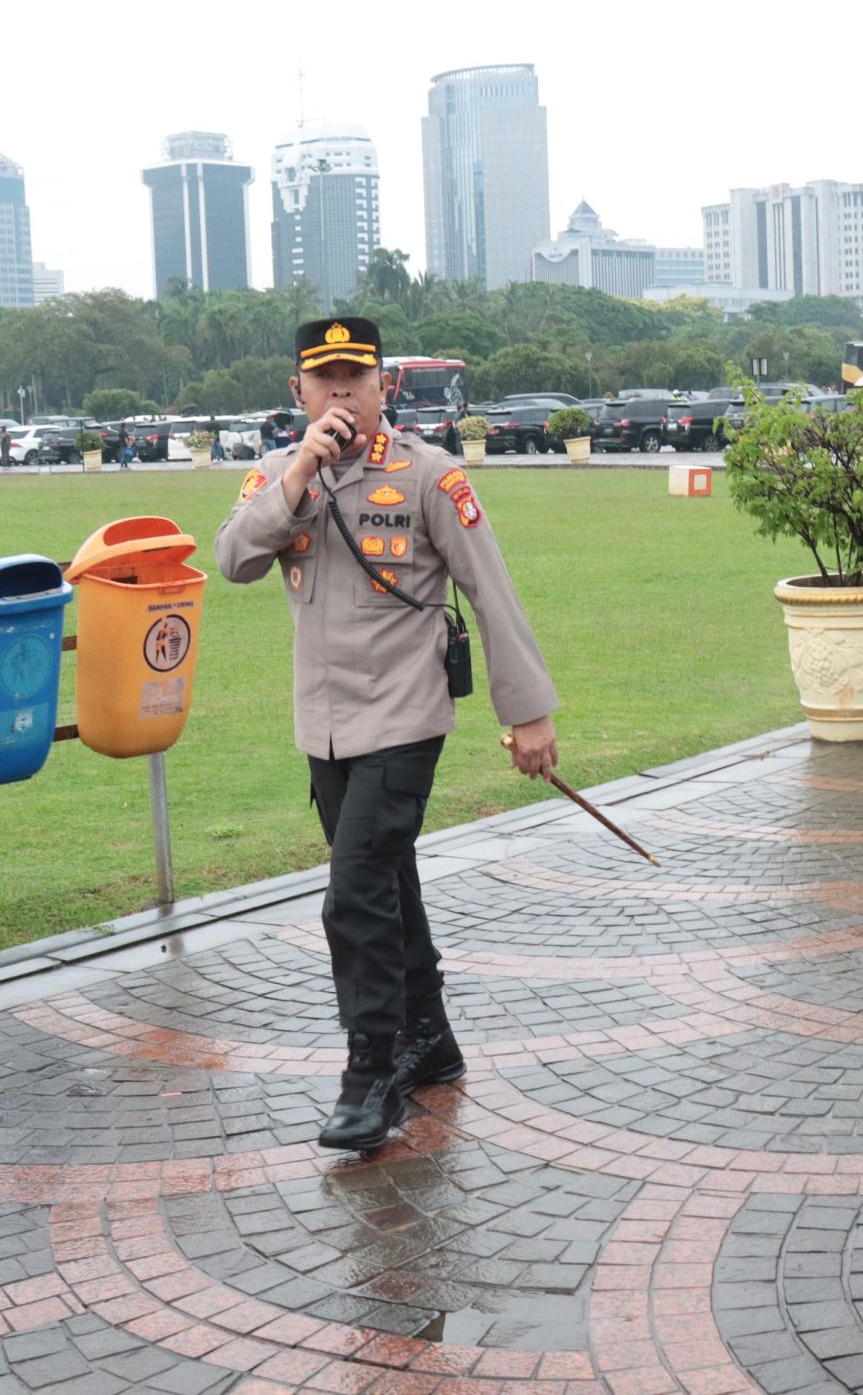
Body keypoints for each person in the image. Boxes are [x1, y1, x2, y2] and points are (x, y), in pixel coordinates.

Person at [215, 317, 561, 1154]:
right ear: (297, 392)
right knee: (385, 880)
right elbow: (233, 561)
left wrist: (528, 711)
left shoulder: (430, 477)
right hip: (324, 725)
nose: (342, 394)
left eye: (356, 379)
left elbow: (492, 593)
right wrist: (299, 471)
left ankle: (372, 1072)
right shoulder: (276, 479)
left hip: (405, 716)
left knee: (353, 892)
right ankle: (430, 1037)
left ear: (383, 389)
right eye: (324, 380)